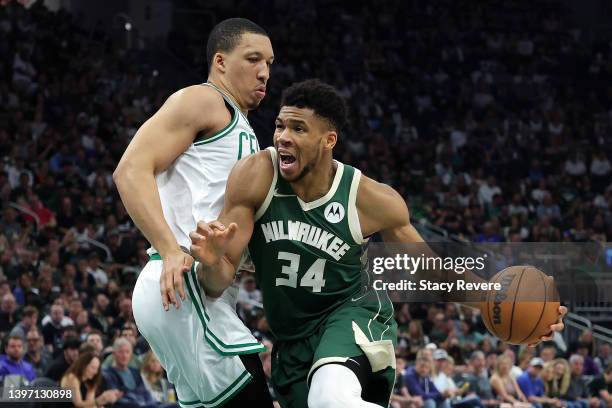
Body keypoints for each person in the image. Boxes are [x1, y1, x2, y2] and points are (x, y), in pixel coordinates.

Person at [188, 79, 567, 407]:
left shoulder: (368, 198)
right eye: (280, 125)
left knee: (329, 398)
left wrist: (490, 297)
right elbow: (217, 282)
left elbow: (426, 269)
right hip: (291, 341)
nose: (284, 137)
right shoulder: (256, 174)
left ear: (328, 140)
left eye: (299, 129)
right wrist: (210, 261)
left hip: (353, 315)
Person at [114, 17, 275, 407]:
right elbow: (130, 170)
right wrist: (170, 248)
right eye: (253, 59)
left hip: (198, 292)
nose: (264, 71)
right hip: (183, 285)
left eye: (269, 62)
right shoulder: (204, 100)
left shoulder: (241, 127)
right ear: (220, 61)